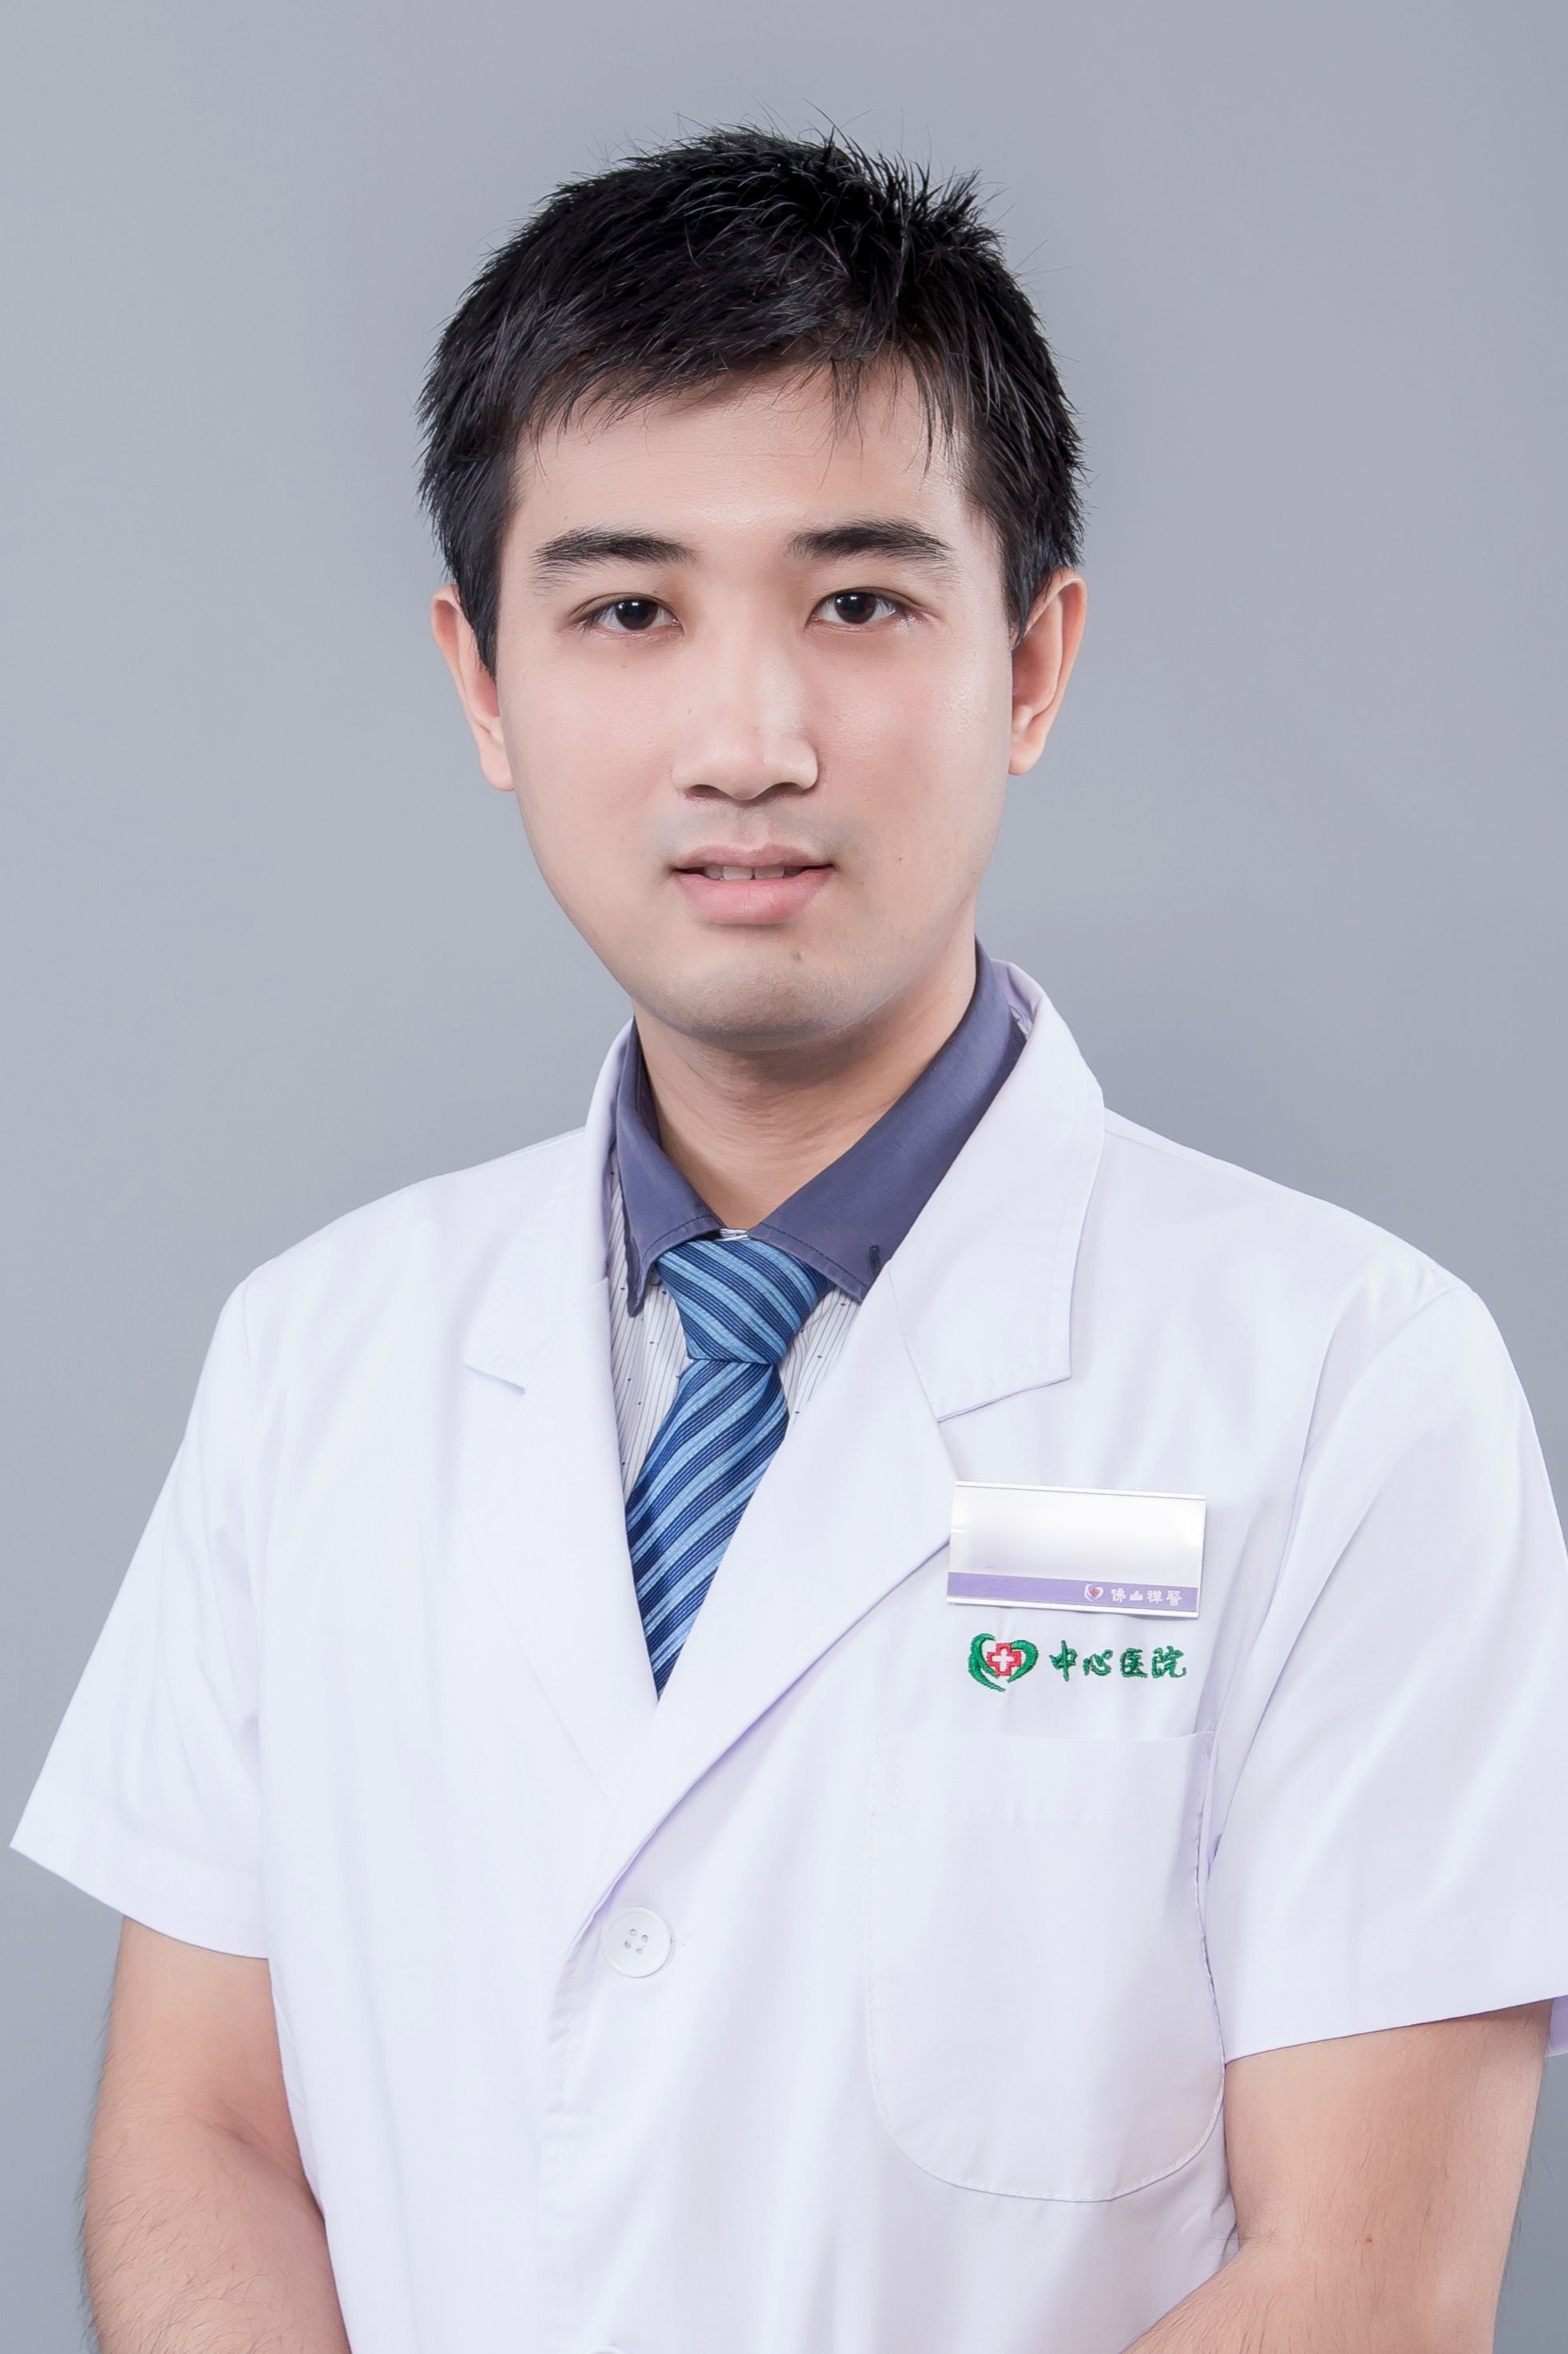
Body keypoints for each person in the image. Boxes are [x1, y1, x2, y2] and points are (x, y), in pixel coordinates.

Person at [11, 124, 1568, 2354]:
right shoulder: (315, 1355)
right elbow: (207, 2136)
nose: (748, 741)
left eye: (858, 603)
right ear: (482, 681)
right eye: (627, 610)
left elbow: (1359, 2284)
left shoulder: (1347, 1384)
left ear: (1031, 661)